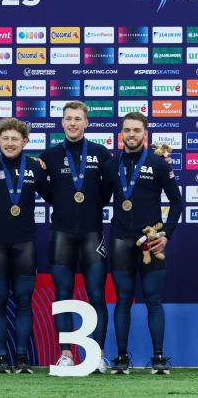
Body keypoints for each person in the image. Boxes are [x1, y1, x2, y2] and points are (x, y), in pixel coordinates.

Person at [102, 112, 182, 375]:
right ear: (121, 134)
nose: (132, 135)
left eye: (137, 130)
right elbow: (97, 197)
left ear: (145, 134)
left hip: (151, 240)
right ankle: (122, 358)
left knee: (153, 300)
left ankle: (158, 358)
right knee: (123, 300)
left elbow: (177, 202)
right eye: (127, 130)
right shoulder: (112, 165)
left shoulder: (159, 164)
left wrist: (166, 235)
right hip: (120, 240)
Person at [39, 101, 111, 372]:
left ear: (86, 123)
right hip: (62, 235)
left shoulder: (101, 153)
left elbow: (107, 192)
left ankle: (99, 355)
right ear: (62, 122)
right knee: (63, 294)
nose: (72, 123)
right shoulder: (51, 155)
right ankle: (66, 354)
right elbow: (46, 193)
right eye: (68, 118)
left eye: (78, 118)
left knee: (96, 294)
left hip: (93, 234)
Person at [0, 118, 50, 374]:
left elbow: (56, 195)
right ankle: (0, 358)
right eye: (5, 139)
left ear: (25, 142)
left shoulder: (35, 167)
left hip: (25, 244)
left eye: (15, 139)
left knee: (23, 301)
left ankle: (21, 358)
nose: (10, 143)